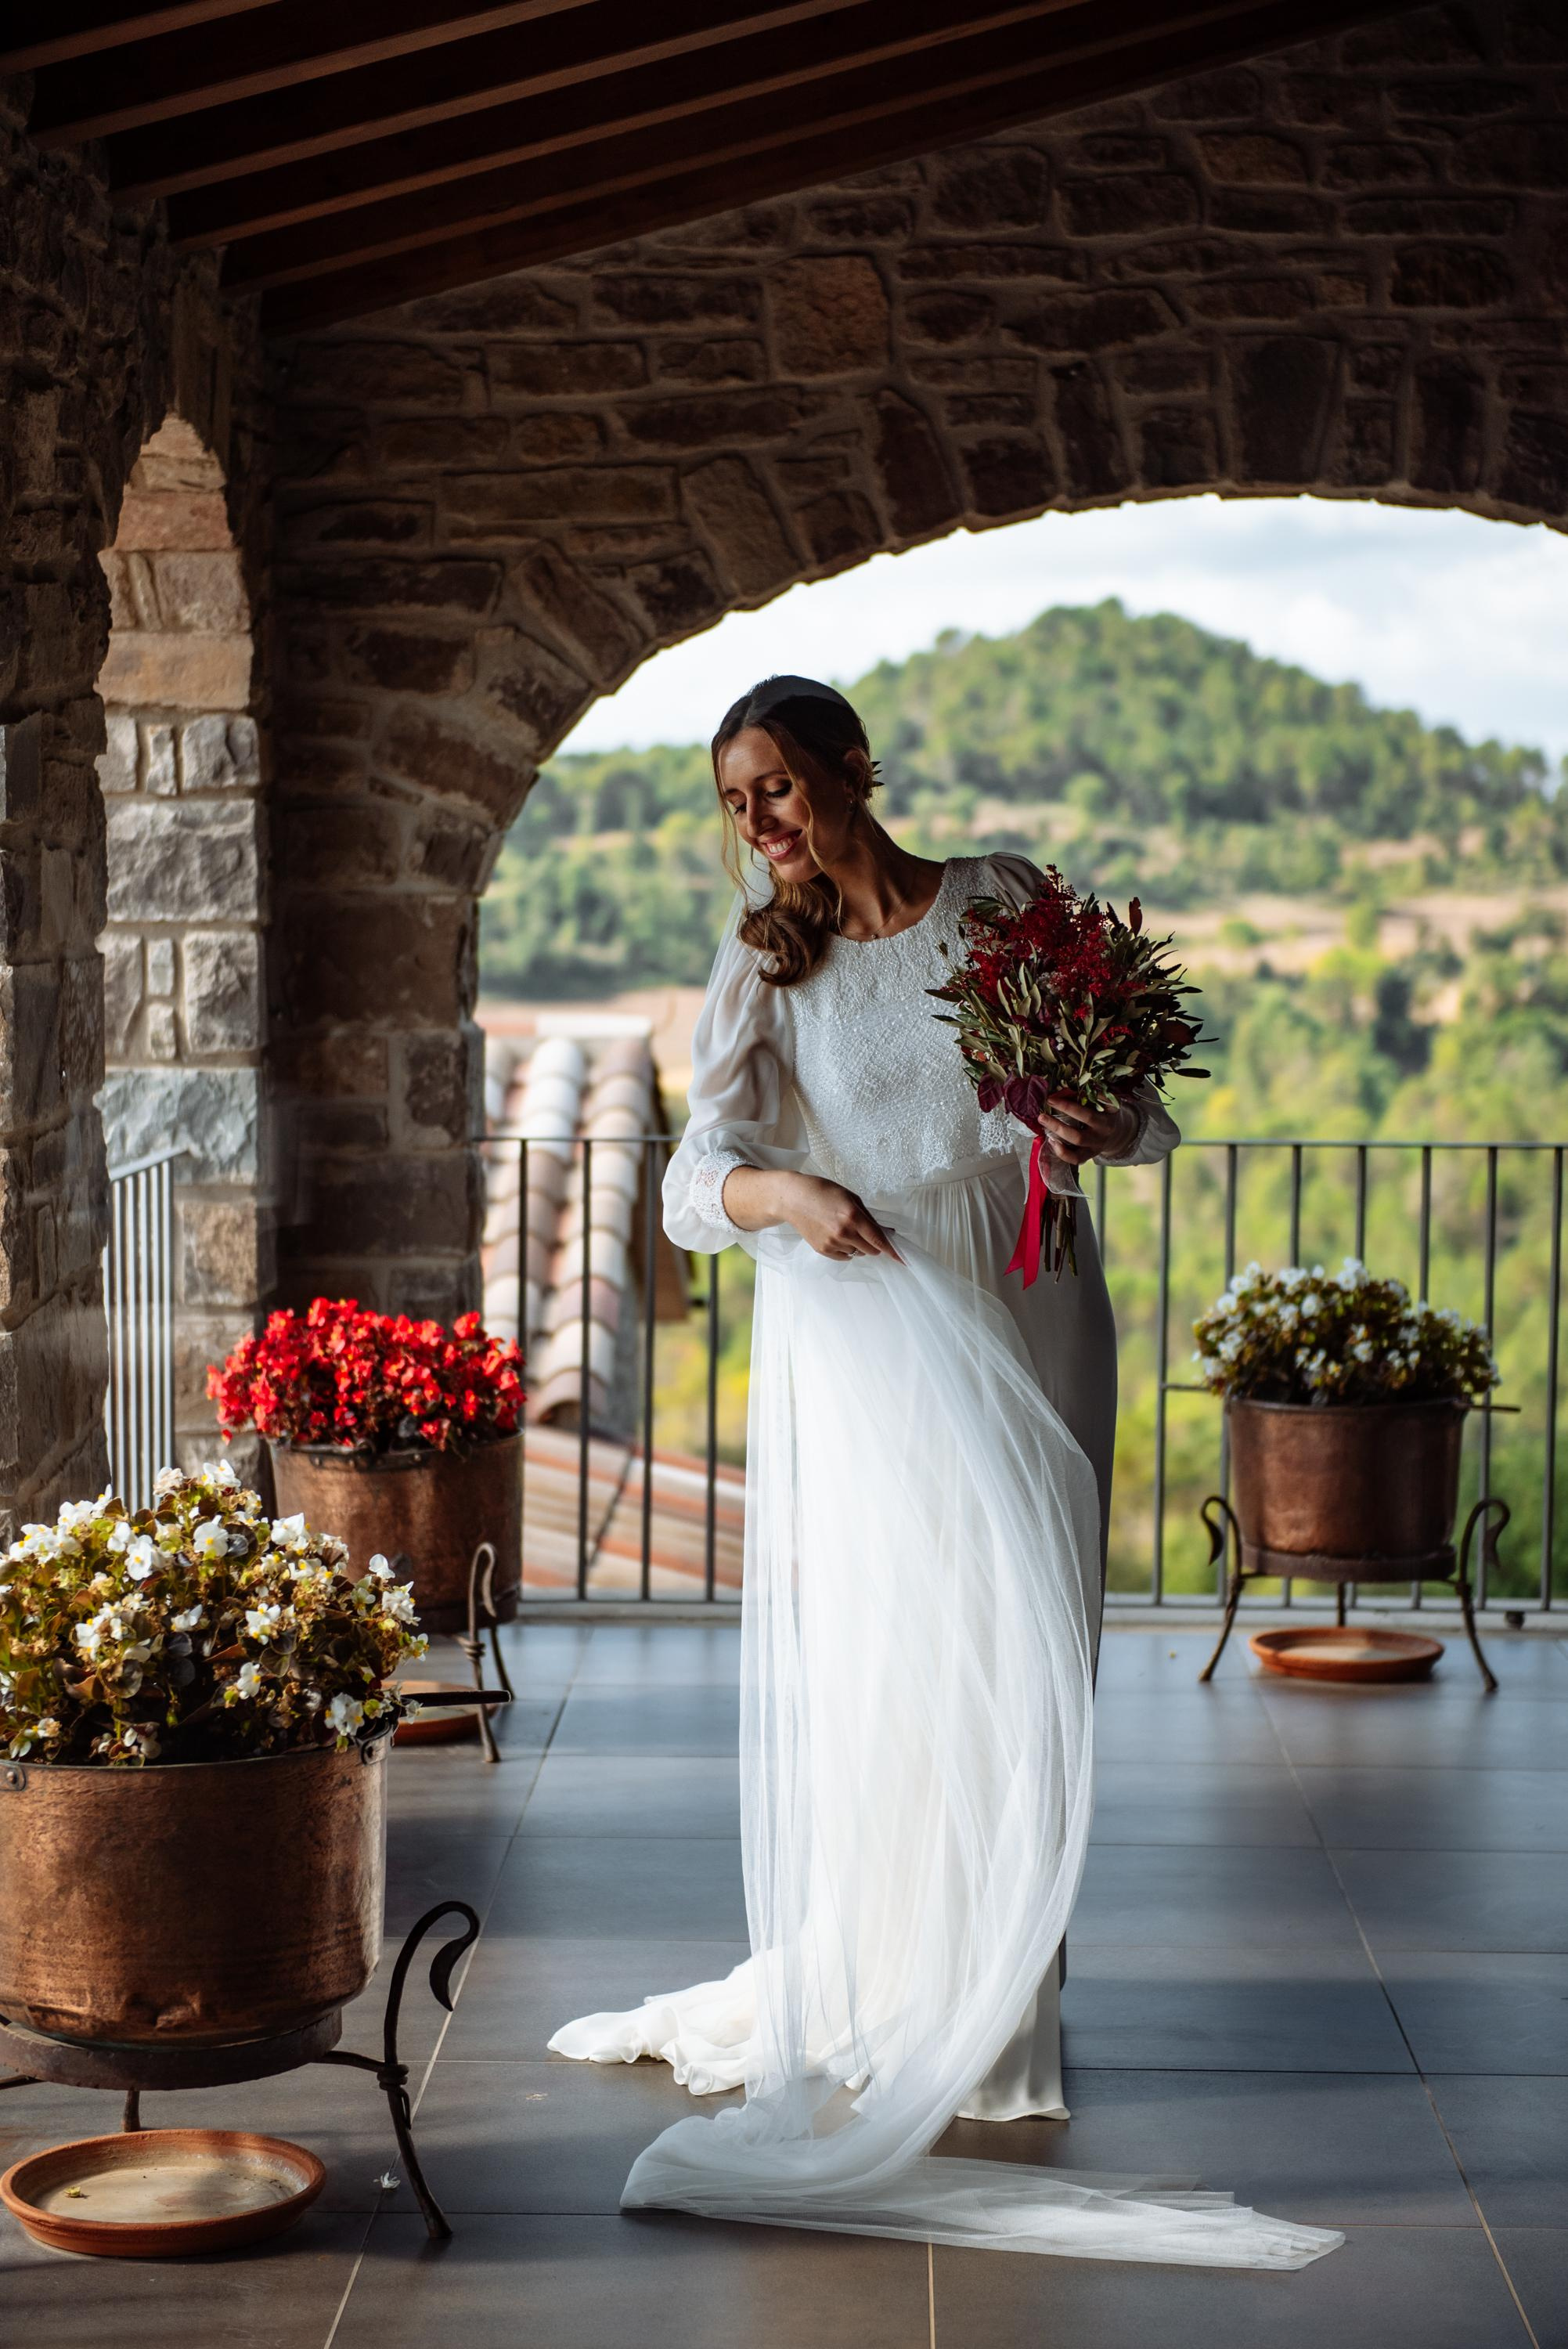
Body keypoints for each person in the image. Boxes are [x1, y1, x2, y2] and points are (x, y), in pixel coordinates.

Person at [550, 675, 1339, 2270]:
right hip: (881, 1330)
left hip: (1038, 1300)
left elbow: (1126, 1111)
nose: (757, 821)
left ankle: (1008, 1999)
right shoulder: (772, 961)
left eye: (775, 784)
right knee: (906, 1668)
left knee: (1034, 1646)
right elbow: (696, 1176)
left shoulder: (999, 901)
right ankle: (917, 1995)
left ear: (852, 770)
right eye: (734, 800)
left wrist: (1083, 1105)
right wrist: (787, 1196)